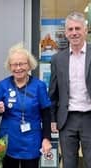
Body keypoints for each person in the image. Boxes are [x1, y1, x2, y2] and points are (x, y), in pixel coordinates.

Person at [0, 43, 52, 168]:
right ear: (10, 66)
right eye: (14, 64)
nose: (18, 68)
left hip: (31, 140)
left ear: (29, 65)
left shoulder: (39, 86)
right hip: (9, 139)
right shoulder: (3, 85)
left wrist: (46, 138)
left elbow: (46, 114)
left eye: (22, 64)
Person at [49, 11, 91, 168]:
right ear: (66, 33)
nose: (74, 33)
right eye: (71, 29)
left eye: (78, 29)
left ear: (85, 30)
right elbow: (53, 92)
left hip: (89, 117)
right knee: (68, 163)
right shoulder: (57, 59)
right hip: (67, 119)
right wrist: (53, 118)